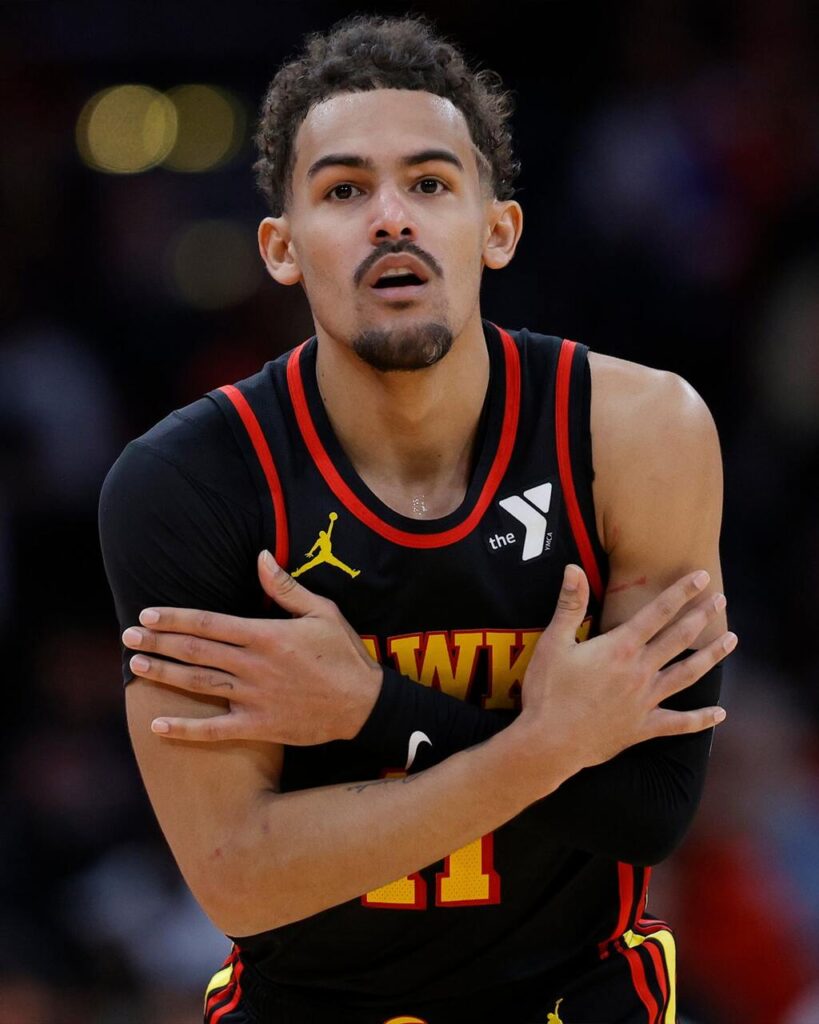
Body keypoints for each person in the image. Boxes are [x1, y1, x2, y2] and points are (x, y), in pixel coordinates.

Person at [98, 14, 736, 1024]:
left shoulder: (637, 431)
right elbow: (238, 877)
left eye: (431, 183)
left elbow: (650, 809)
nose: (391, 218)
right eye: (344, 190)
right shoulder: (189, 483)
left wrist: (374, 712)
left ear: (497, 228)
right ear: (281, 247)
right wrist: (545, 743)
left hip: (580, 995)